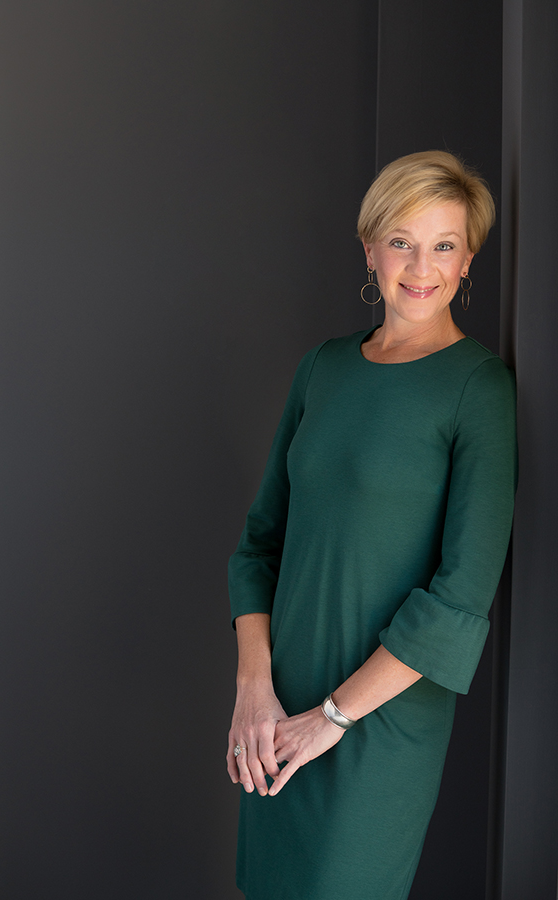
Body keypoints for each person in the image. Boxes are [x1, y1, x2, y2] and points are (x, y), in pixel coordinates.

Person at [226, 150, 517, 900]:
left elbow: (459, 599)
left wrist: (332, 717)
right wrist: (254, 691)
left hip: (377, 722)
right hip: (276, 710)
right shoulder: (321, 368)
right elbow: (260, 542)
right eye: (402, 241)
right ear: (370, 248)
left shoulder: (478, 388)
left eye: (444, 245)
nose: (422, 266)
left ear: (468, 258)